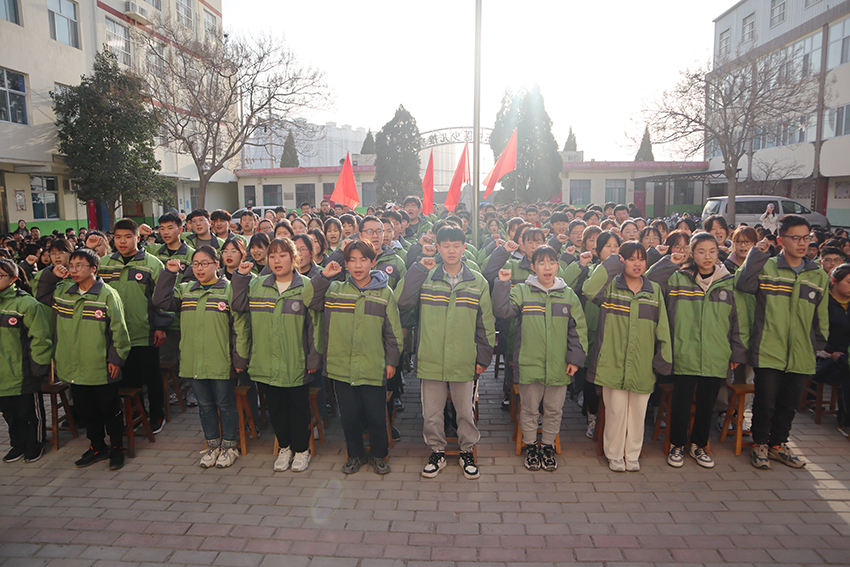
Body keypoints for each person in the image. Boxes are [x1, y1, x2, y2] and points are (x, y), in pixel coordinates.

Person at [397, 226, 495, 480]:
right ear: (438, 248)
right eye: (445, 245)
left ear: (464, 247)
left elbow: (486, 324)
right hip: (431, 358)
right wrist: (419, 268)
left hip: (464, 359)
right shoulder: (426, 277)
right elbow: (403, 300)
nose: (451, 250)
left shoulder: (478, 282)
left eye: (456, 245)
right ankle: (437, 451)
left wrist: (484, 357)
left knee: (465, 411)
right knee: (431, 412)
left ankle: (466, 451)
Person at [736, 214, 829, 469]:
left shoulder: (817, 275)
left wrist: (817, 348)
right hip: (769, 348)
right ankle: (760, 445)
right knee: (765, 402)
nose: (802, 243)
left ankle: (778, 445)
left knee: (789, 403)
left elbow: (821, 316)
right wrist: (756, 254)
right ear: (781, 239)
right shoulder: (767, 267)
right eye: (795, 238)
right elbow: (743, 284)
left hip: (801, 351)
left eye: (806, 238)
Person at [646, 233, 747, 469]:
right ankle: (677, 445)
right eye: (701, 251)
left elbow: (738, 321)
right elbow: (650, 281)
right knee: (680, 404)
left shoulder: (727, 282)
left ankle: (699, 445)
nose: (707, 256)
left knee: (706, 404)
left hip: (715, 354)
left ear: (718, 253)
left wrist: (737, 352)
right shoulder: (678, 279)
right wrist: (670, 261)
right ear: (692, 254)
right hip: (684, 353)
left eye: (712, 251)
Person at [309, 241, 402, 475]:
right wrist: (324, 275)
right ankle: (356, 454)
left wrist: (391, 361)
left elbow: (394, 332)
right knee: (349, 417)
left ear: (372, 262)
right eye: (352, 260)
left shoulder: (384, 293)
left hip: (373, 365)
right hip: (341, 366)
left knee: (376, 416)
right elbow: (310, 300)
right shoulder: (335, 290)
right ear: (346, 263)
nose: (358, 265)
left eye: (363, 260)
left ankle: (379, 455)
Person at [153, 246, 250, 469]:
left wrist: (239, 359)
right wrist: (169, 273)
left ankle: (229, 446)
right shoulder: (186, 290)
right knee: (205, 406)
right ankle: (212, 444)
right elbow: (161, 300)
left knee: (225, 405)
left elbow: (240, 329)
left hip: (221, 361)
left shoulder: (229, 290)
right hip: (193, 360)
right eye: (196, 264)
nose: (199, 268)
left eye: (205, 263)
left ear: (217, 264)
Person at [493, 245, 587, 471]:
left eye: (551, 262)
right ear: (533, 267)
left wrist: (575, 359)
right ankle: (531, 446)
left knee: (554, 410)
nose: (547, 267)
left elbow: (578, 330)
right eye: (541, 263)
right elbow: (502, 311)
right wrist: (503, 284)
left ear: (558, 265)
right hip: (529, 363)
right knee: (529, 409)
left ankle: (547, 446)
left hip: (559, 366)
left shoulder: (568, 294)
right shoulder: (523, 291)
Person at [36, 249, 131, 470]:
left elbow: (120, 332)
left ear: (94, 269)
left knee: (110, 410)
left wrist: (116, 359)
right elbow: (40, 294)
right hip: (73, 366)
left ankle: (117, 448)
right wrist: (52, 273)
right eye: (71, 266)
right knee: (87, 411)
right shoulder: (62, 292)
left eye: (80, 266)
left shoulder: (108, 294)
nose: (74, 270)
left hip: (101, 366)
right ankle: (97, 447)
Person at [231, 238, 322, 472]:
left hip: (296, 362)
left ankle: (302, 450)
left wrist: (313, 358)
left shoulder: (306, 286)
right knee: (277, 408)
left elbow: (315, 327)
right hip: (266, 361)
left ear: (294, 258)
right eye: (272, 256)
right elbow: (238, 305)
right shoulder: (257, 284)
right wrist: (240, 277)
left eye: (282, 255)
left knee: (299, 409)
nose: (277, 260)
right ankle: (284, 447)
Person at [583, 242, 672, 472]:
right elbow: (590, 289)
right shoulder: (611, 288)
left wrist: (663, 358)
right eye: (631, 258)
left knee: (638, 413)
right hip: (613, 361)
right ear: (622, 261)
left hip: (642, 363)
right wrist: (612, 261)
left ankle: (632, 455)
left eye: (641, 259)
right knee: (615, 411)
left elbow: (662, 327)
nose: (637, 263)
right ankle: (614, 454)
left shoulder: (653, 292)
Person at [99, 218, 171, 434]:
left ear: (137, 238)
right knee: (129, 379)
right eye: (118, 237)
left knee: (151, 376)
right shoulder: (104, 264)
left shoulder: (152, 264)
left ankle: (157, 414)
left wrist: (160, 326)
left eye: (128, 237)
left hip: (145, 331)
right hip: (117, 335)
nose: (122, 241)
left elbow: (161, 299)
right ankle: (137, 416)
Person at [0, 259, 53, 464]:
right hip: (2, 372)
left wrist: (39, 366)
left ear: (14, 278)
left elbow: (40, 338)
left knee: (29, 413)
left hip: (23, 371)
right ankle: (18, 444)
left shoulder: (26, 304)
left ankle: (35, 444)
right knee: (10, 414)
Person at [816, 263, 850, 437]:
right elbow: (815, 333)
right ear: (834, 281)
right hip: (825, 358)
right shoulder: (823, 302)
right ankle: (845, 422)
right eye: (849, 282)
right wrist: (830, 353)